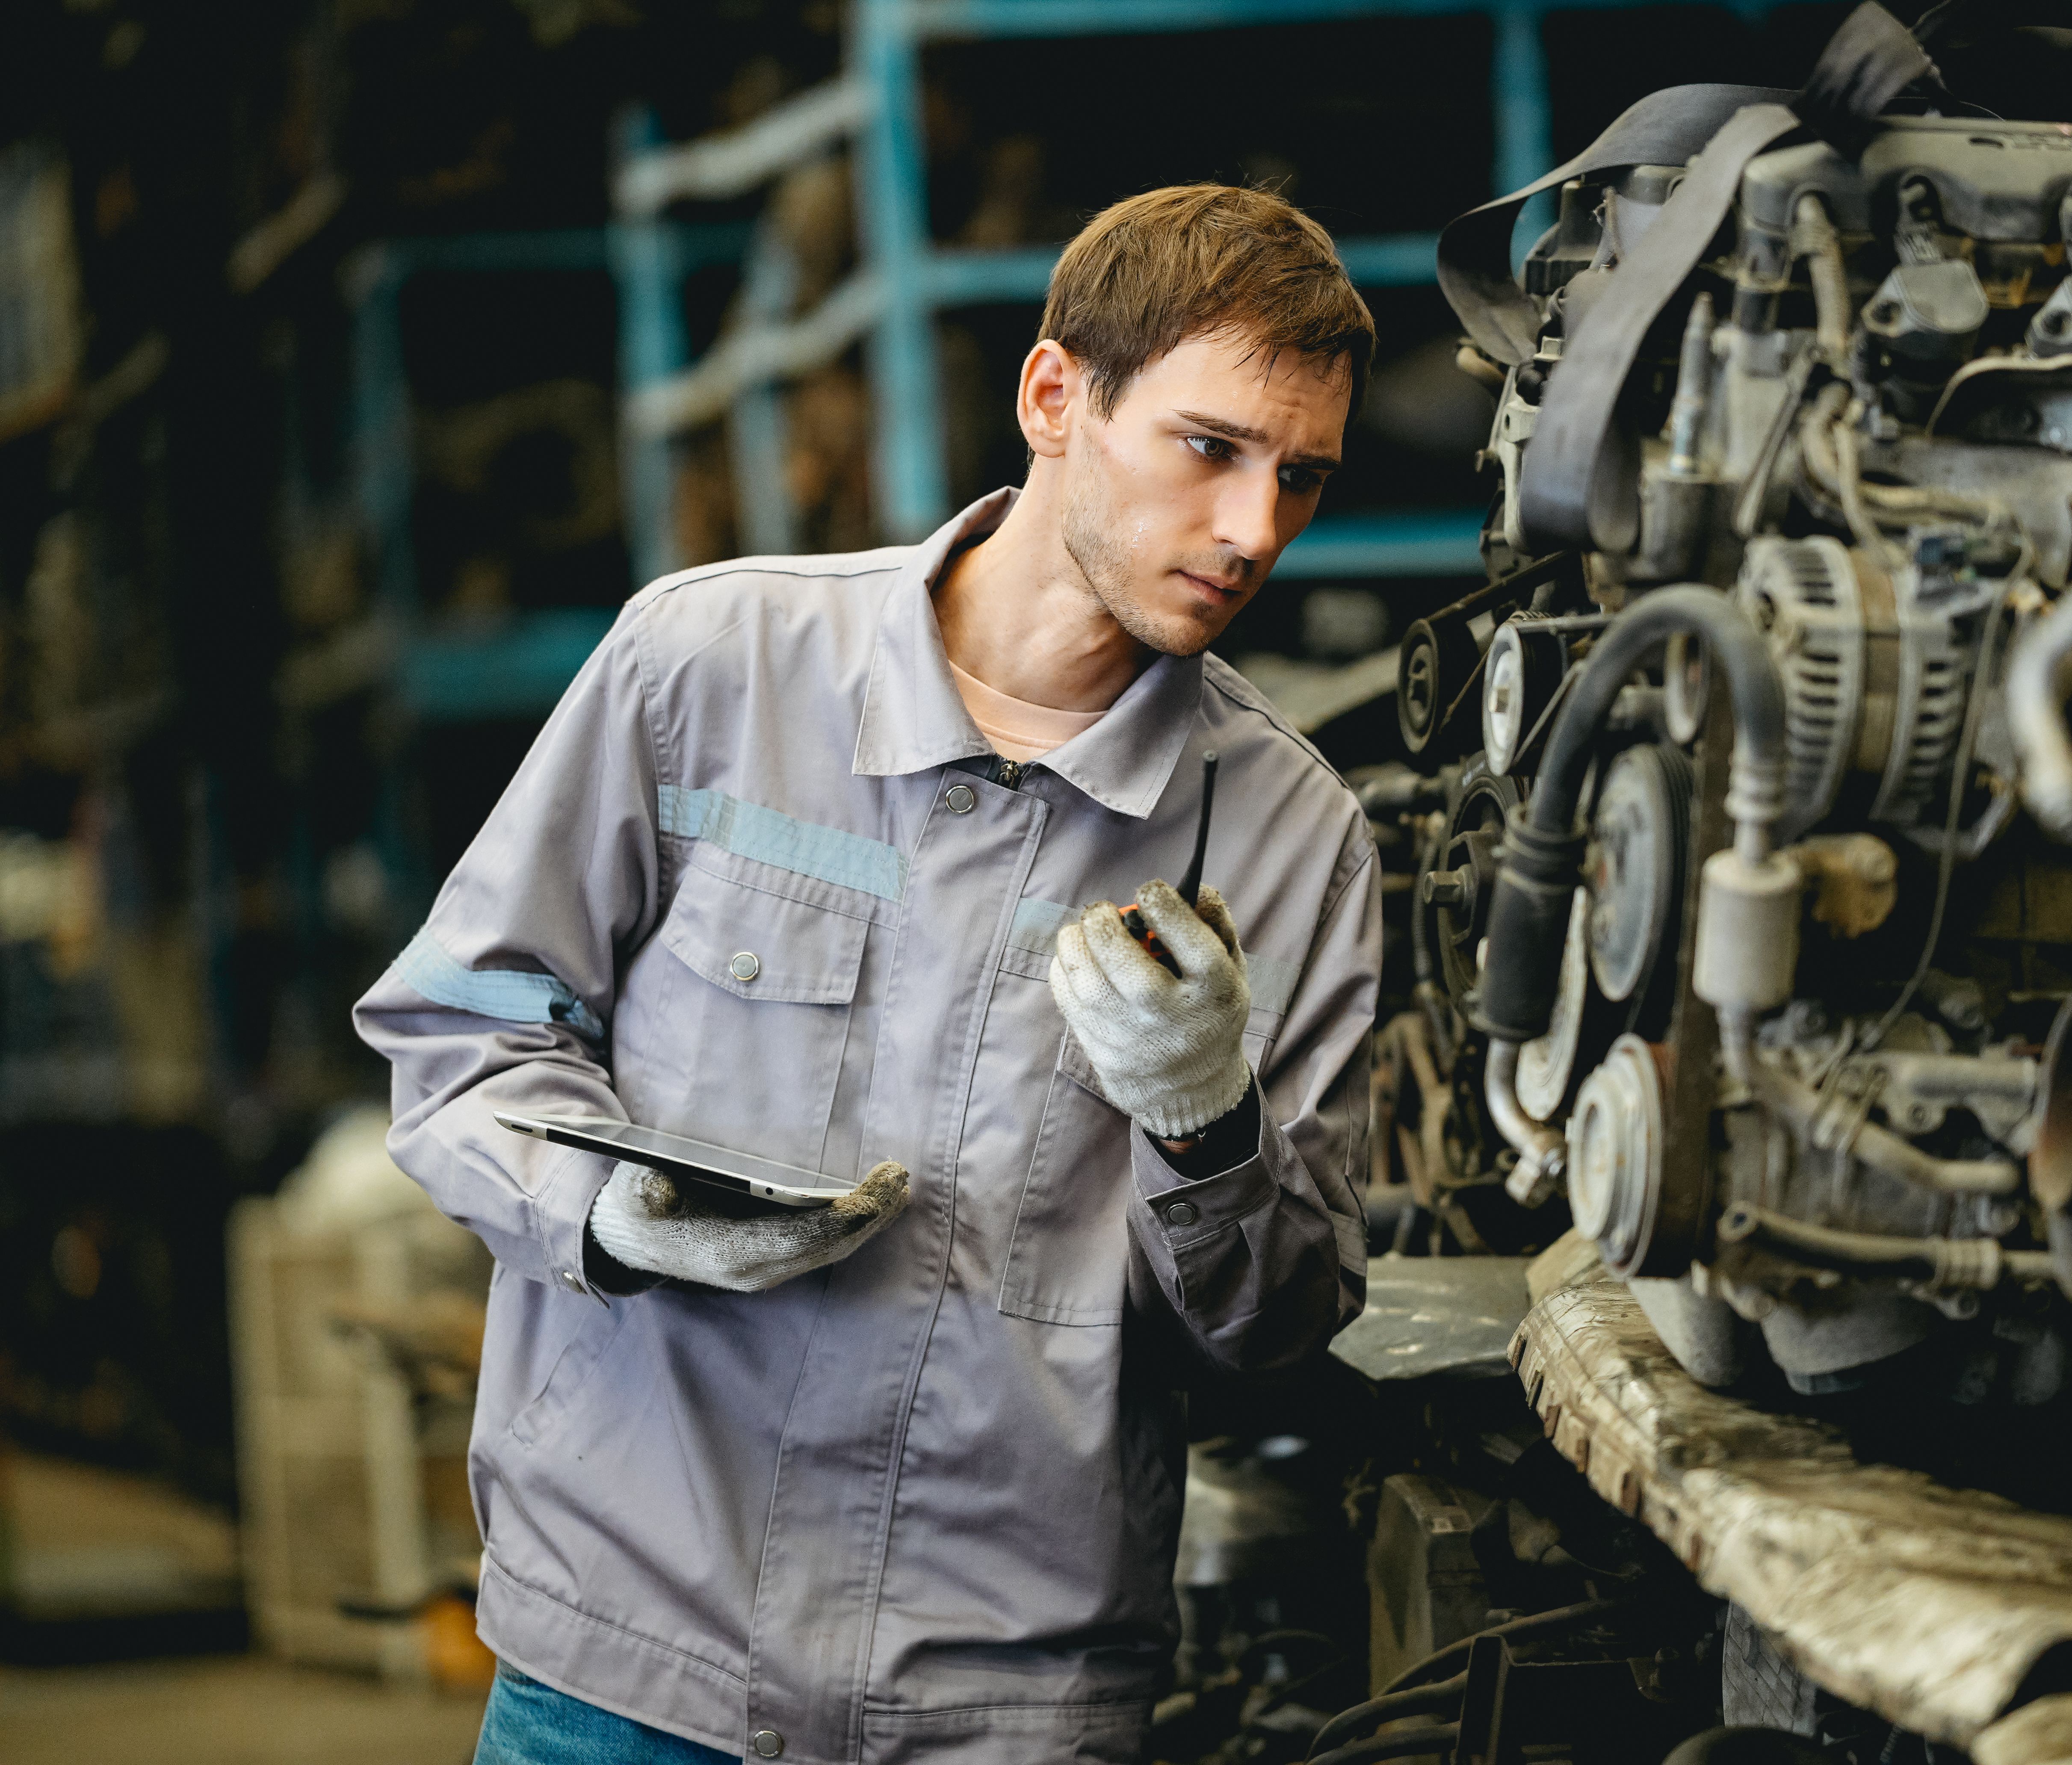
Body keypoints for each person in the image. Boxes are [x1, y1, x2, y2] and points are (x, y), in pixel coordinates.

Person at [355, 184, 1381, 1765]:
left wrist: (1204, 1123)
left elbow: (1279, 1327)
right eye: (1209, 448)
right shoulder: (713, 672)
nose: (1256, 531)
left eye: (1300, 477)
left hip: (1002, 1706)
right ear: (1055, 398)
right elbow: (462, 1031)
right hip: (628, 1671)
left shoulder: (1288, 838)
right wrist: (604, 1210)